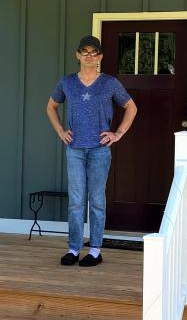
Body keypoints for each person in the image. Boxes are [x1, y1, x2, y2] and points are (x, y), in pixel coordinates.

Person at [47, 35, 137, 267]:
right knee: (76, 201)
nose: (89, 56)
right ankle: (74, 248)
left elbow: (131, 107)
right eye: (84, 51)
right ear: (77, 55)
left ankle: (95, 249)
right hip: (75, 149)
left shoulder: (109, 83)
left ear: (100, 57)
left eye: (93, 52)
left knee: (97, 200)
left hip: (99, 150)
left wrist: (117, 134)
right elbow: (51, 106)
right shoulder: (67, 82)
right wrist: (60, 131)